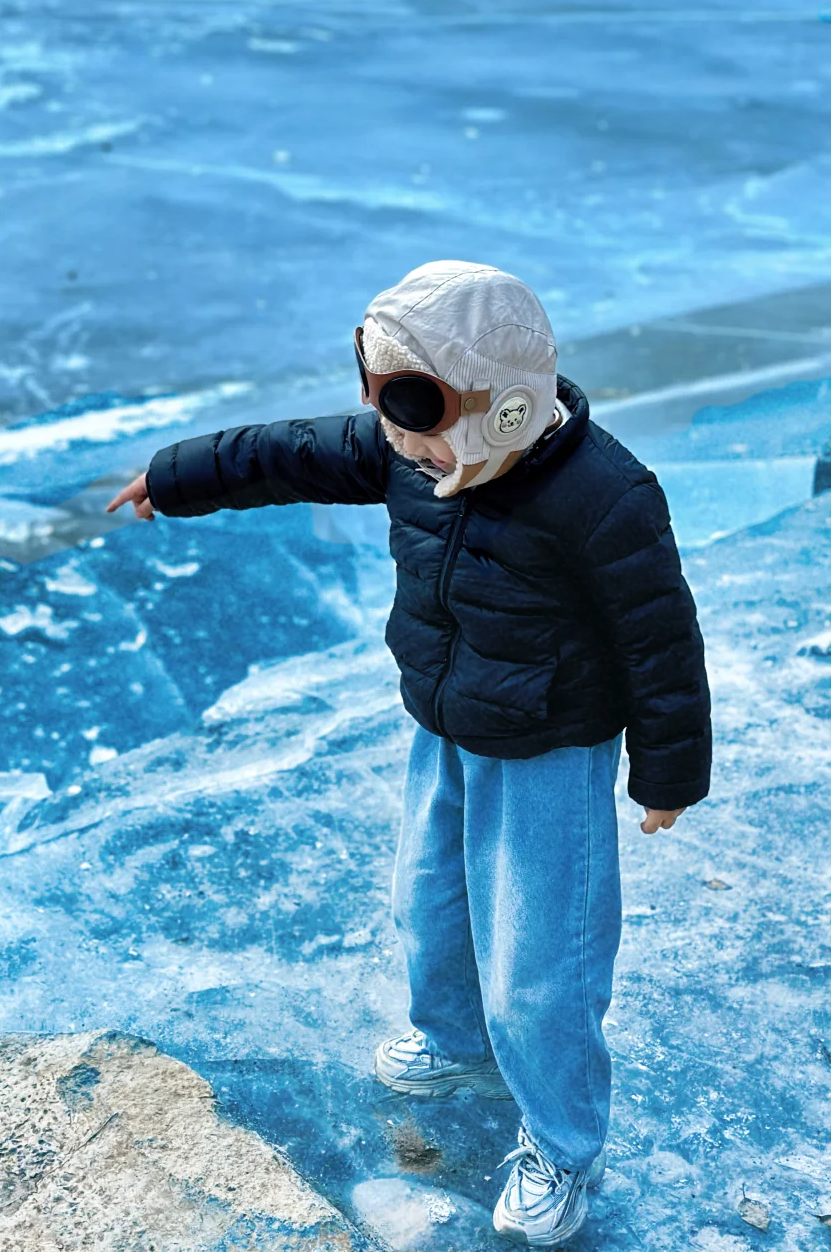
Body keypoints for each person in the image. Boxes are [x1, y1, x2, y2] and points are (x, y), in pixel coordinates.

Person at [108, 260, 712, 1247]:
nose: (403, 451)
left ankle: (562, 1144)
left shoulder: (605, 494)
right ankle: (452, 1036)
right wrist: (177, 476)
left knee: (540, 962)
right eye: (386, 418)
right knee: (428, 905)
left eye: (418, 424)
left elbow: (660, 637)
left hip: (550, 747)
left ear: (502, 409)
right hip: (444, 719)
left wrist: (670, 771)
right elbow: (289, 452)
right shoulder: (406, 448)